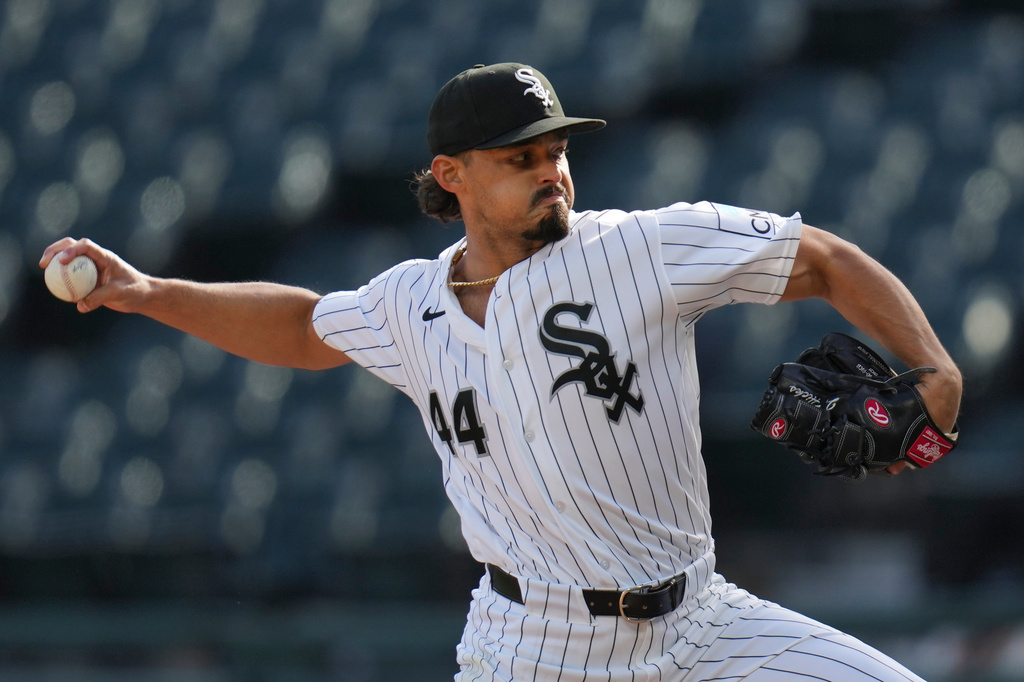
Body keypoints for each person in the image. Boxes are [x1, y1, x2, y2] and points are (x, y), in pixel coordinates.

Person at [42, 63, 961, 681]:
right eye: (521, 158)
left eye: (556, 150)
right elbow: (300, 326)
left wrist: (931, 368)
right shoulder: (409, 305)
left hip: (700, 624)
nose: (551, 172)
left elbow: (822, 257)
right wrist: (151, 290)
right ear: (452, 175)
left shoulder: (640, 248)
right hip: (532, 648)